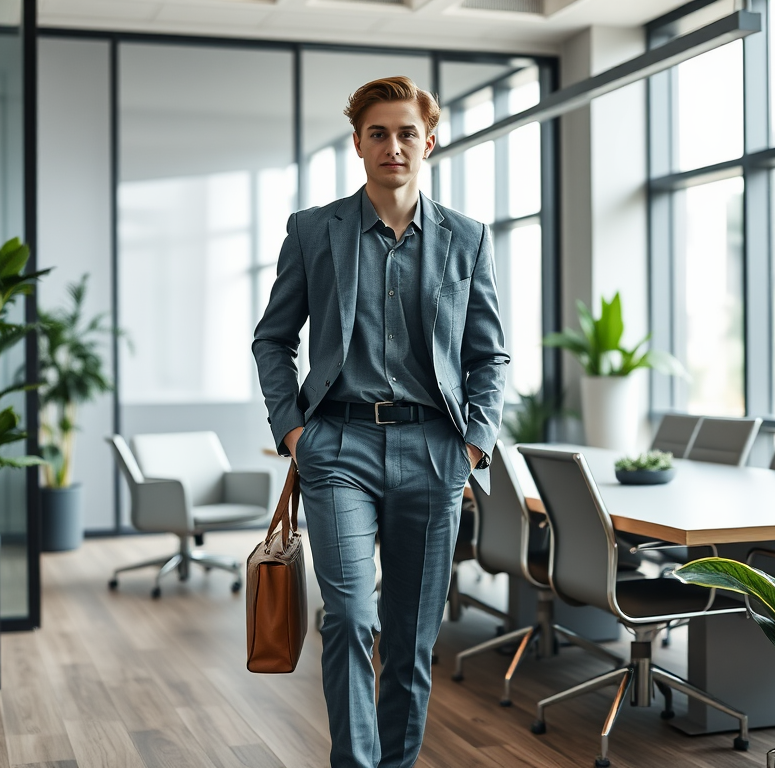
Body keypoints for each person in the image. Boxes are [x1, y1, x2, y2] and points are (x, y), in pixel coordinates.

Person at [252, 76, 508, 768]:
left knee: (411, 637)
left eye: (405, 133)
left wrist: (473, 448)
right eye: (377, 133)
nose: (393, 145)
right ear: (359, 145)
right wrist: (295, 432)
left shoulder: (468, 238)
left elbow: (490, 355)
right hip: (338, 445)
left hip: (434, 450)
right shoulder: (314, 232)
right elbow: (273, 339)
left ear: (429, 141)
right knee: (350, 619)